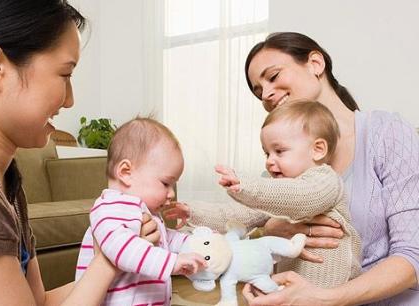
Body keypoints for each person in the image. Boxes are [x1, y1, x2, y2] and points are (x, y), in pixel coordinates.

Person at [167, 31, 419, 305]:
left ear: (315, 64)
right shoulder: (285, 166)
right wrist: (269, 237)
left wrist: (325, 299)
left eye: (273, 77)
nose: (267, 94)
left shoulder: (388, 134)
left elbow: (413, 255)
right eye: (258, 91)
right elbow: (244, 221)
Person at [0, 1, 159, 305]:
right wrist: (107, 263)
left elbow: (38, 301)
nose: (70, 100)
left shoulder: (3, 177)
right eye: (65, 75)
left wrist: (113, 259)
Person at [213, 101, 362, 289]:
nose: (269, 161)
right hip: (292, 290)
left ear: (317, 150)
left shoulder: (326, 180)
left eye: (279, 151)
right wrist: (190, 213)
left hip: (333, 290)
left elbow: (300, 197)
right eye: (267, 153)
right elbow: (238, 215)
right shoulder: (280, 193)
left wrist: (246, 185)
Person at [75, 117, 207, 306]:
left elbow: (165, 239)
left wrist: (197, 243)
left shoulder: (143, 211)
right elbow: (122, 248)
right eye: (165, 183)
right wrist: (172, 262)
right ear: (126, 172)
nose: (171, 194)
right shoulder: (111, 207)